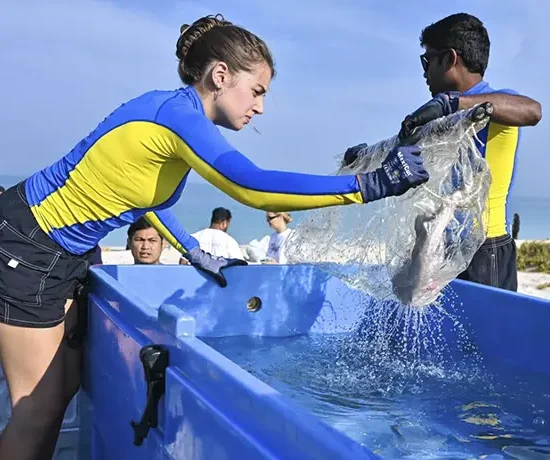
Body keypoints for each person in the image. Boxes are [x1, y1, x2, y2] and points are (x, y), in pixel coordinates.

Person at [0, 14, 429, 459]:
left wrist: (194, 251)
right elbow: (251, 186)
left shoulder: (180, 117)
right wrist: (365, 186)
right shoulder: (176, 115)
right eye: (257, 91)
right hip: (30, 243)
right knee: (38, 409)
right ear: (220, 76)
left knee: (64, 390)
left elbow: (147, 199)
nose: (260, 107)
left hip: (70, 252)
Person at [344, 13, 542, 292]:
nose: (424, 72)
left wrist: (452, 103)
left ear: (450, 59)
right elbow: (403, 151)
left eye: (427, 61)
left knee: (483, 335)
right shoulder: (439, 119)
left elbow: (532, 111)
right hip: (444, 248)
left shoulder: (495, 103)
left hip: (486, 251)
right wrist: (366, 156)